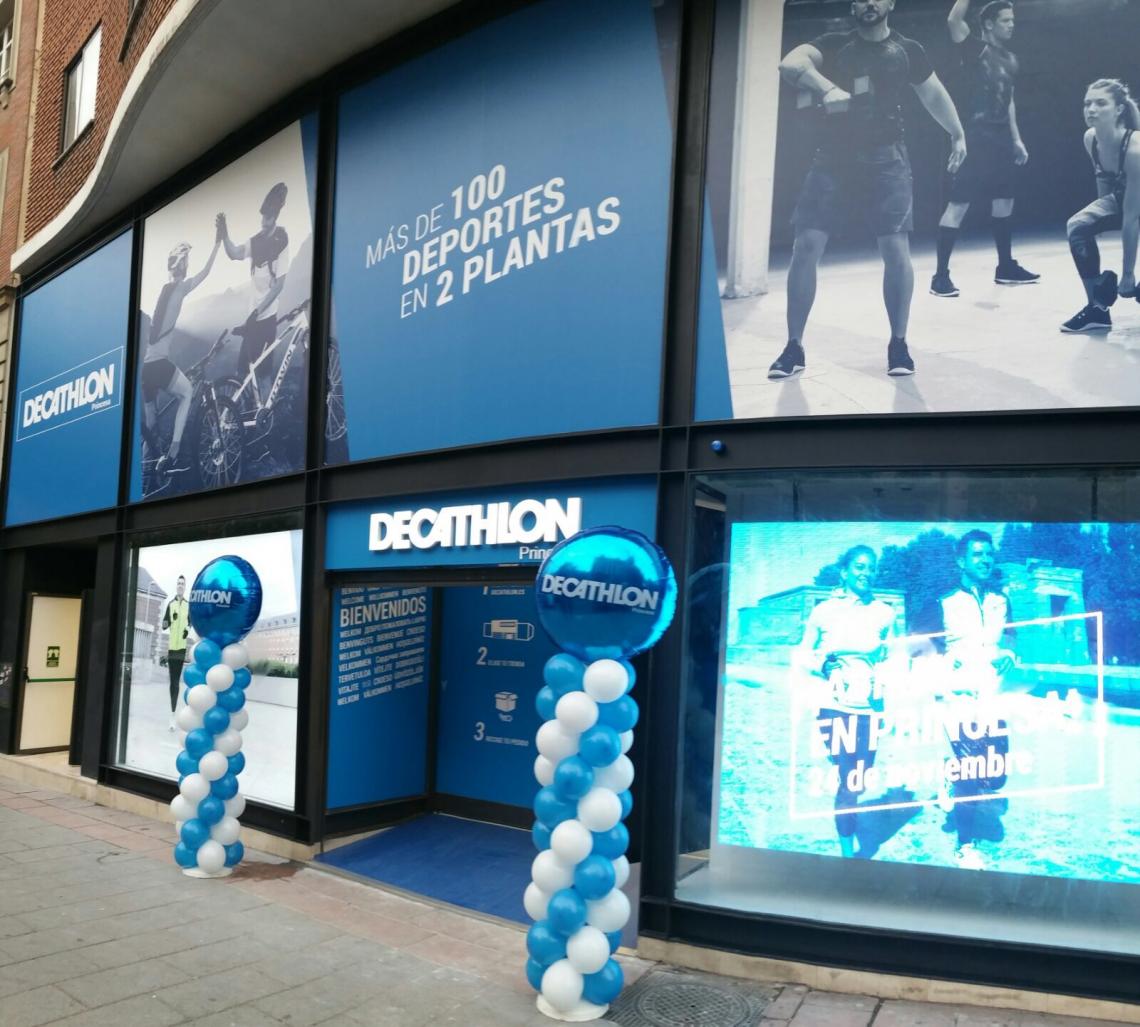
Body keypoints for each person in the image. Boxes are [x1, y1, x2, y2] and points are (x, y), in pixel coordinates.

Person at [768, 0, 966, 382]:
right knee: (805, 245)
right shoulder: (833, 44)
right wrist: (826, 87)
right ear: (853, 6)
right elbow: (790, 64)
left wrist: (957, 133)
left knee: (895, 249)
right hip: (833, 158)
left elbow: (933, 94)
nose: (869, 3)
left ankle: (899, 343)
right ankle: (794, 347)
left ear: (890, 3)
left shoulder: (907, 50)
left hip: (887, 158)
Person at [931, 1, 1039, 297]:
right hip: (974, 137)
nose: (1012, 25)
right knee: (959, 204)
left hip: (1001, 139)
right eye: (1005, 20)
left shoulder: (1011, 59)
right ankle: (940, 277)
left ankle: (1005, 267)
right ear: (989, 24)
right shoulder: (975, 49)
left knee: (1004, 201)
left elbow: (1009, 100)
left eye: (1012, 20)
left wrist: (1016, 139)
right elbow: (954, 19)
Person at [797, 545, 898, 858]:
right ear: (844, 572)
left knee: (860, 780)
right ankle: (847, 852)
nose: (866, 573)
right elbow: (804, 653)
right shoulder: (824, 611)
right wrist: (824, 666)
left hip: (869, 707)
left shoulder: (884, 612)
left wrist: (884, 686)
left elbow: (893, 658)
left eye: (871, 567)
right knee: (849, 782)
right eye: (859, 567)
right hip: (833, 705)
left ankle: (845, 786)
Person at [937, 529, 1017, 870]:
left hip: (992, 698)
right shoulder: (943, 602)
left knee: (997, 778)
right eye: (977, 554)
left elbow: (1011, 636)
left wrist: (1009, 654)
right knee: (971, 772)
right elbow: (919, 645)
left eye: (989, 554)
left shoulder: (1001, 600)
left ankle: (950, 774)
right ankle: (965, 846)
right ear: (961, 561)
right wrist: (944, 662)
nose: (985, 560)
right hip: (959, 700)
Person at [1061, 79, 1140, 333]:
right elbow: (1104, 178)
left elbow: (1132, 217)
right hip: (1128, 198)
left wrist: (1127, 274)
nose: (1091, 109)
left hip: (1135, 204)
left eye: (1100, 103)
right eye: (1087, 104)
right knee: (1078, 226)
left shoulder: (1135, 150)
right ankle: (1097, 309)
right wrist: (1099, 219)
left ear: (1119, 109)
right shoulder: (1091, 139)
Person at [142, 237, 221, 472]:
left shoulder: (163, 293)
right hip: (160, 365)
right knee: (186, 393)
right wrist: (216, 244)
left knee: (151, 428)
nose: (187, 266)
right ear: (182, 265)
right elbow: (206, 272)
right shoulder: (179, 288)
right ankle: (174, 450)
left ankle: (144, 476)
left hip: (147, 369)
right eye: (186, 261)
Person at [216, 182, 290, 391]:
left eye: (268, 219)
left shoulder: (282, 240)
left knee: (263, 375)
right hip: (252, 319)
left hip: (266, 319)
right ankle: (242, 409)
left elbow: (279, 286)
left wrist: (258, 311)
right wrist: (224, 233)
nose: (264, 223)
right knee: (242, 372)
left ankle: (263, 410)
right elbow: (234, 253)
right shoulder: (255, 241)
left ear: (275, 218)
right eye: (263, 218)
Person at [162, 576, 191, 730]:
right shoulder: (171, 604)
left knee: (176, 681)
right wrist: (169, 620)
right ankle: (172, 715)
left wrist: (187, 629)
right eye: (178, 583)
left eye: (182, 584)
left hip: (181, 649)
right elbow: (163, 625)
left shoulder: (187, 605)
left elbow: (191, 622)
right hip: (172, 648)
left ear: (185, 587)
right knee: (172, 682)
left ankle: (173, 714)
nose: (180, 586)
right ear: (176, 586)